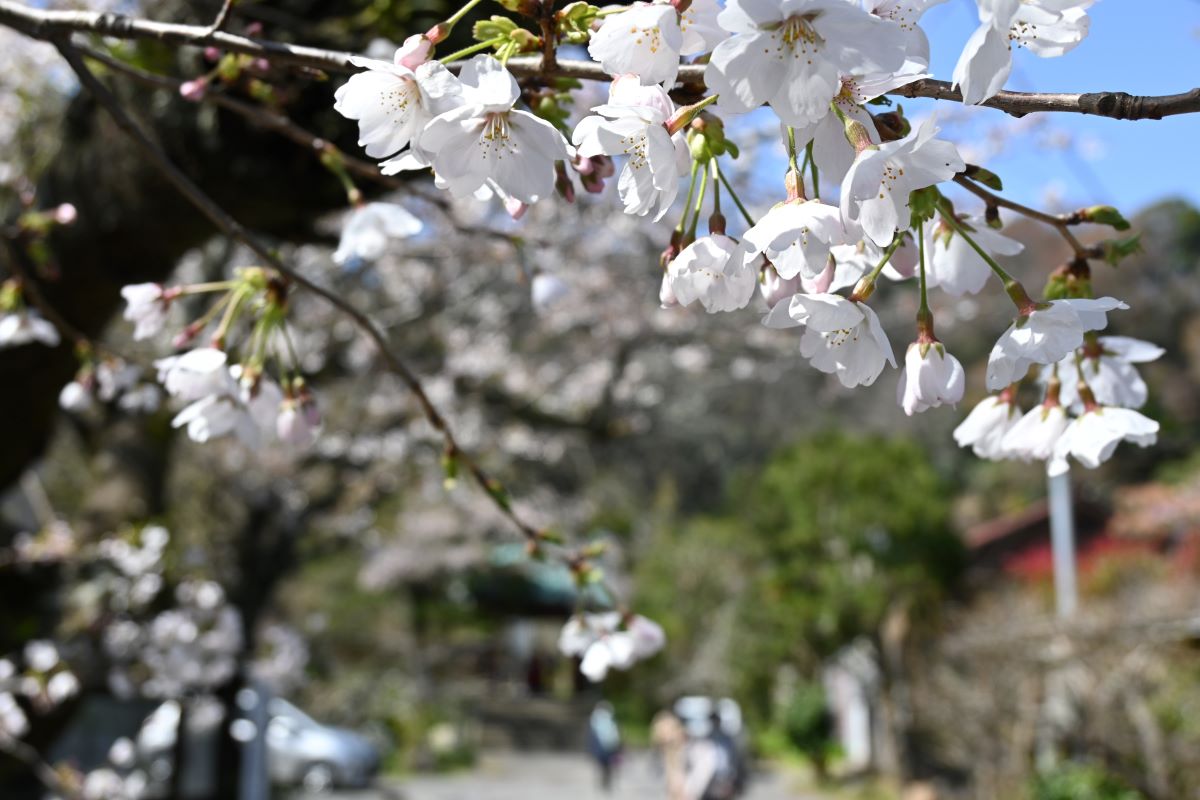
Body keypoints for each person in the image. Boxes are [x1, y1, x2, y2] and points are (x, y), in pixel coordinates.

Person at [651, 709, 687, 800]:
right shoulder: (672, 724)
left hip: (673, 755)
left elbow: (655, 739)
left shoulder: (664, 723)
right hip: (670, 755)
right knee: (674, 780)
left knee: (675, 781)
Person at [587, 701, 622, 792]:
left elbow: (592, 736)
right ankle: (607, 782)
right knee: (608, 766)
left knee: (601, 765)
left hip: (599, 746)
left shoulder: (595, 719)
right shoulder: (610, 719)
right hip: (610, 746)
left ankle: (603, 782)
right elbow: (615, 734)